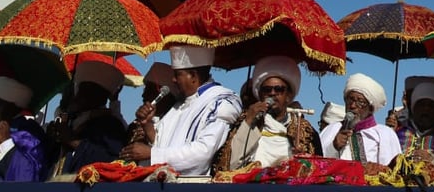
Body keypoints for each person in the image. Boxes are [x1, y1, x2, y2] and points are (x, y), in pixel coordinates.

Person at [118, 45, 241, 176]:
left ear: (193, 76)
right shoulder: (180, 103)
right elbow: (163, 145)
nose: (173, 80)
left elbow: (203, 152)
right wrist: (147, 125)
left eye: (177, 75)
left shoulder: (221, 101)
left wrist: (151, 153)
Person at [217, 55, 320, 169]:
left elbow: (319, 169)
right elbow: (230, 165)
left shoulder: (305, 131)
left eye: (279, 89)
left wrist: (301, 161)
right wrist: (248, 122)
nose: (272, 93)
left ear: (288, 96)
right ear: (260, 94)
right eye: (267, 90)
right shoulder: (246, 121)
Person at [48, 61, 128, 175]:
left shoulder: (110, 125)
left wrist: (74, 142)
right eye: (79, 90)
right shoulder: (72, 119)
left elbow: (112, 160)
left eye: (87, 91)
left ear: (100, 97)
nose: (78, 96)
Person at [320, 73, 402, 165]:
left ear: (370, 109)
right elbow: (317, 163)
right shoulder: (332, 129)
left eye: (360, 102)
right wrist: (334, 146)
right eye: (350, 100)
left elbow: (392, 171)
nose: (352, 105)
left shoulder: (385, 133)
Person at [124, 62, 177, 148]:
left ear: (165, 95)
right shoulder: (134, 125)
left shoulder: (176, 123)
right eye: (145, 90)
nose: (143, 95)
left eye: (149, 91)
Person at [397, 81, 434, 157]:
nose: (426, 109)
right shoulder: (398, 133)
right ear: (414, 109)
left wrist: (433, 160)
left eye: (431, 106)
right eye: (422, 105)